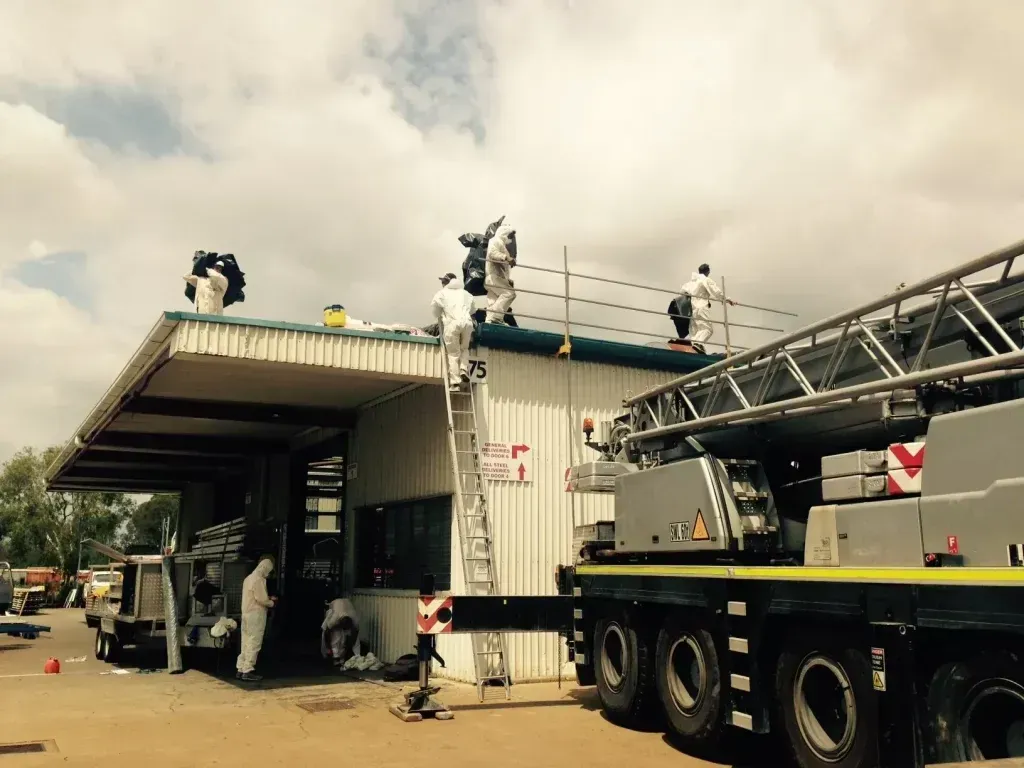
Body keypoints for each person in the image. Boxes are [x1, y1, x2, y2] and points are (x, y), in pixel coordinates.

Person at [431, 272, 475, 391]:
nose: (442, 283)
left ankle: (455, 383)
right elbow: (472, 310)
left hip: (452, 323)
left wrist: (442, 313)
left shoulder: (442, 293)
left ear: (448, 282)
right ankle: (464, 370)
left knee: (453, 353)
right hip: (467, 323)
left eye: (444, 281)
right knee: (464, 348)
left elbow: (435, 311)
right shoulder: (467, 294)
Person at [236, 557, 277, 682]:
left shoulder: (248, 578)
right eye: (269, 571)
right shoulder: (259, 579)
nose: (268, 574)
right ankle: (248, 670)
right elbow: (261, 599)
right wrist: (272, 602)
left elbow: (253, 596)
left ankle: (241, 668)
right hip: (256, 615)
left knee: (245, 642)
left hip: (246, 614)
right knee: (254, 642)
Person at [682, 263, 736, 354]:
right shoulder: (705, 280)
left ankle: (693, 349)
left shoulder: (691, 282)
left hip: (693, 310)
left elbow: (683, 291)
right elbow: (717, 292)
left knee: (696, 331)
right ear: (707, 271)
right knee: (708, 329)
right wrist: (728, 300)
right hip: (702, 307)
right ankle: (698, 345)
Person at [485, 224, 516, 324]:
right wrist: (506, 258)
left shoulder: (502, 245)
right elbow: (492, 253)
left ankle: (490, 320)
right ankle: (496, 318)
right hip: (494, 276)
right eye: (510, 236)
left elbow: (504, 268)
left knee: (493, 300)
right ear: (504, 233)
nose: (511, 239)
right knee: (509, 294)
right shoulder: (495, 241)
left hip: (494, 277)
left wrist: (507, 279)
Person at [321, 596, 361, 666]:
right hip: (334, 605)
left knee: (344, 638)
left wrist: (349, 646)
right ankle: (332, 655)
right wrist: (328, 647)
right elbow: (327, 632)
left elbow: (355, 634)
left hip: (347, 605)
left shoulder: (355, 620)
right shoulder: (333, 619)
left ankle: (353, 656)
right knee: (335, 635)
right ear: (339, 623)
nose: (344, 630)